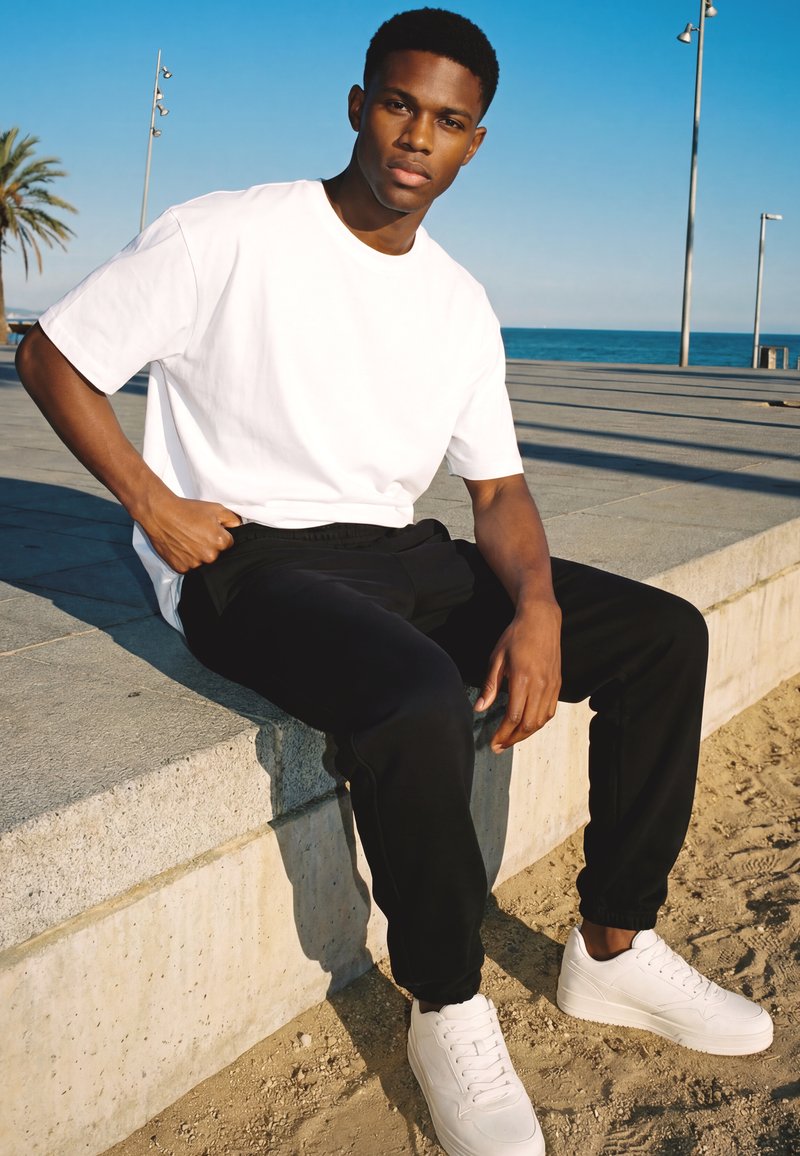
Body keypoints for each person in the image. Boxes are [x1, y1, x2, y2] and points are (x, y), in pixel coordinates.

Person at [16, 9, 773, 1155]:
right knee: (415, 695)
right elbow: (54, 351)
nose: (417, 136)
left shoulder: (456, 300)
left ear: (476, 142)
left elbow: (499, 493)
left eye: (448, 121)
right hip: (248, 556)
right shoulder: (231, 232)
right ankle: (446, 1002)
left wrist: (534, 605)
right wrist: (151, 502)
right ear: (358, 103)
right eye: (399, 104)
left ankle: (612, 949)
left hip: (398, 549)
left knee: (663, 634)